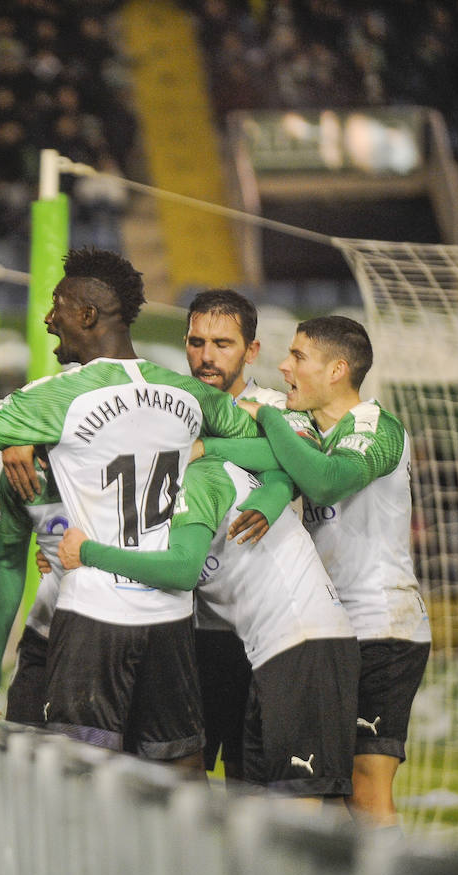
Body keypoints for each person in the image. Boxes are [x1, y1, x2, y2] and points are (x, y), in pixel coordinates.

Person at [0, 248, 258, 767]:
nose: (49, 318)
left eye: (57, 306)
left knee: (78, 781)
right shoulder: (189, 394)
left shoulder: (58, 397)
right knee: (178, 774)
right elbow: (260, 440)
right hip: (170, 616)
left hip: (93, 617)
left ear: (87, 315)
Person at [212, 315, 430, 828]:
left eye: (298, 357)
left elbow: (327, 482)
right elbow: (271, 458)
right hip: (331, 631)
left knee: (364, 784)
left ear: (337, 369)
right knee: (326, 786)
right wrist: (207, 447)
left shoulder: (378, 428)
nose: (284, 367)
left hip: (384, 627)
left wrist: (265, 419)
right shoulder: (309, 433)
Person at [55, 452, 361, 799]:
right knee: (272, 803)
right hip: (280, 650)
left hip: (303, 646)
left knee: (305, 808)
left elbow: (182, 570)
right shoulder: (200, 476)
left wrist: (88, 553)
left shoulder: (199, 477)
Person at [184, 289, 286, 778]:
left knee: (256, 785)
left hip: (262, 632)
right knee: (184, 781)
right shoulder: (168, 410)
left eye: (223, 344)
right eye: (196, 341)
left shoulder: (277, 411)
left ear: (252, 351)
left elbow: (299, 471)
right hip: (190, 631)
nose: (207, 356)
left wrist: (210, 446)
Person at [0, 448, 66, 724]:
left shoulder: (114, 417)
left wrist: (201, 446)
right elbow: (9, 557)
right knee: (23, 752)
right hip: (48, 626)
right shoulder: (9, 451)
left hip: (122, 624)